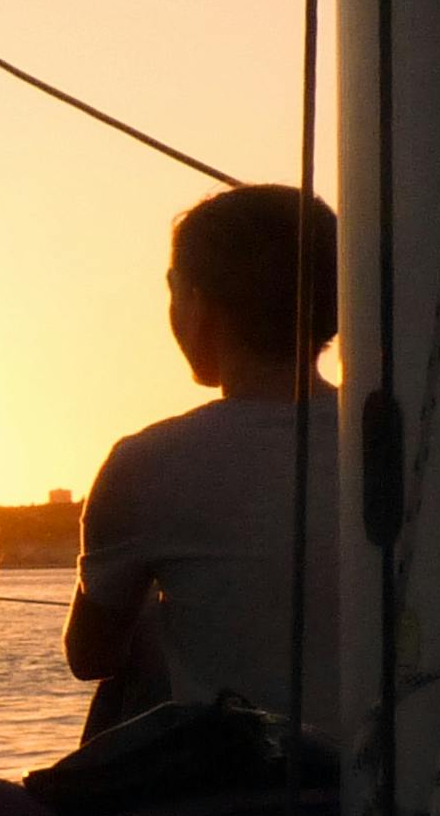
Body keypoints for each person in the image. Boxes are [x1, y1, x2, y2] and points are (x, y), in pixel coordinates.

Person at [66, 184, 346, 738]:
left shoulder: (147, 463)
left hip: (236, 796)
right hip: (405, 783)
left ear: (198, 306)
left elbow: (90, 657)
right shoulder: (408, 439)